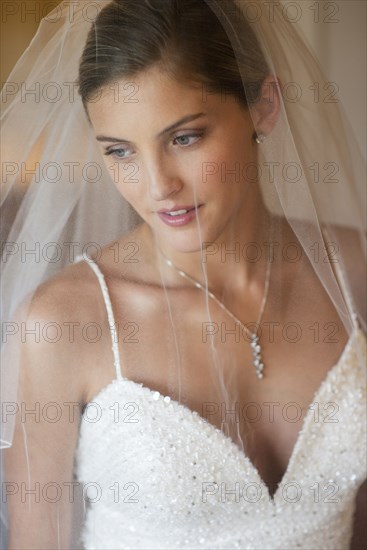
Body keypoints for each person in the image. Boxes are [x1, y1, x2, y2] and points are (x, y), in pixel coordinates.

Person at [1, 0, 365, 548]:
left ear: (264, 106)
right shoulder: (61, 323)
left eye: (184, 138)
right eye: (121, 151)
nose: (158, 185)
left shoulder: (354, 270)